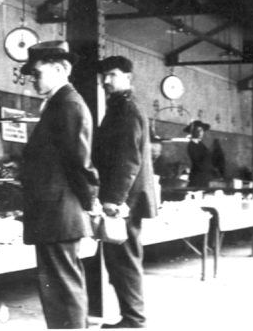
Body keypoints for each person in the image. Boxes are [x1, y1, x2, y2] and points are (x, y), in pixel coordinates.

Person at [18, 40, 100, 329]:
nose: (32, 80)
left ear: (60, 69)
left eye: (37, 73)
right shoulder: (59, 104)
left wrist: (91, 204)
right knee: (57, 289)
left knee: (63, 288)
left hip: (59, 212)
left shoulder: (68, 105)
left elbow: (80, 163)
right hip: (53, 211)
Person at [94, 55, 158, 329]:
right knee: (121, 260)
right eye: (103, 76)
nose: (106, 81)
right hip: (126, 199)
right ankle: (131, 317)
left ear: (127, 77)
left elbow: (128, 160)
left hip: (125, 201)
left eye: (112, 75)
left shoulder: (127, 110)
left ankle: (134, 319)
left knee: (124, 261)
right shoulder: (120, 107)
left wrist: (114, 201)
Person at [184, 120, 214, 188]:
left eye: (202, 130)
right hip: (197, 177)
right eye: (197, 130)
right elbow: (196, 161)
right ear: (193, 132)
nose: (200, 133)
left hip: (205, 176)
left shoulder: (202, 145)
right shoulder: (191, 145)